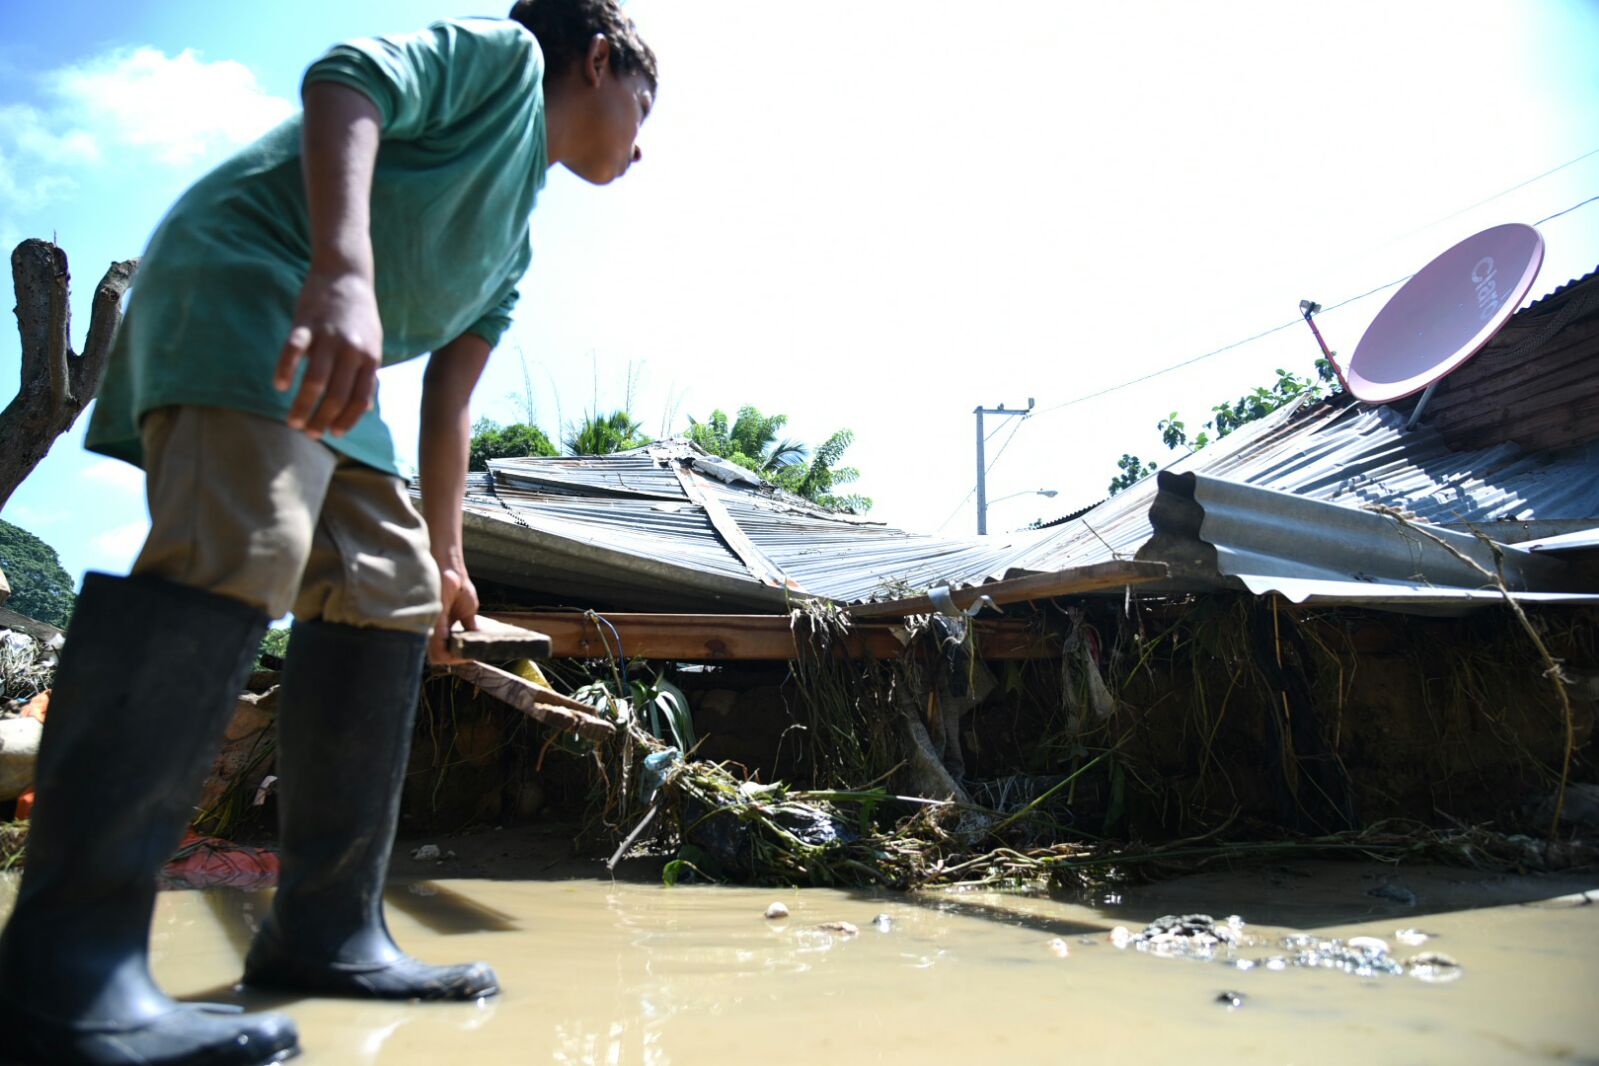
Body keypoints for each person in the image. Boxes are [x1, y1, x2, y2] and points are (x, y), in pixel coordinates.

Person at [0, 1, 656, 1062]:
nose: (642, 139)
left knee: (389, 582)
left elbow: (449, 403)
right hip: (249, 278)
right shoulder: (502, 60)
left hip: (341, 378)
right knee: (244, 543)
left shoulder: (515, 240)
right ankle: (62, 972)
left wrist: (448, 553)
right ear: (598, 58)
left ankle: (327, 928)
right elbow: (346, 78)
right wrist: (344, 269)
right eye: (643, 103)